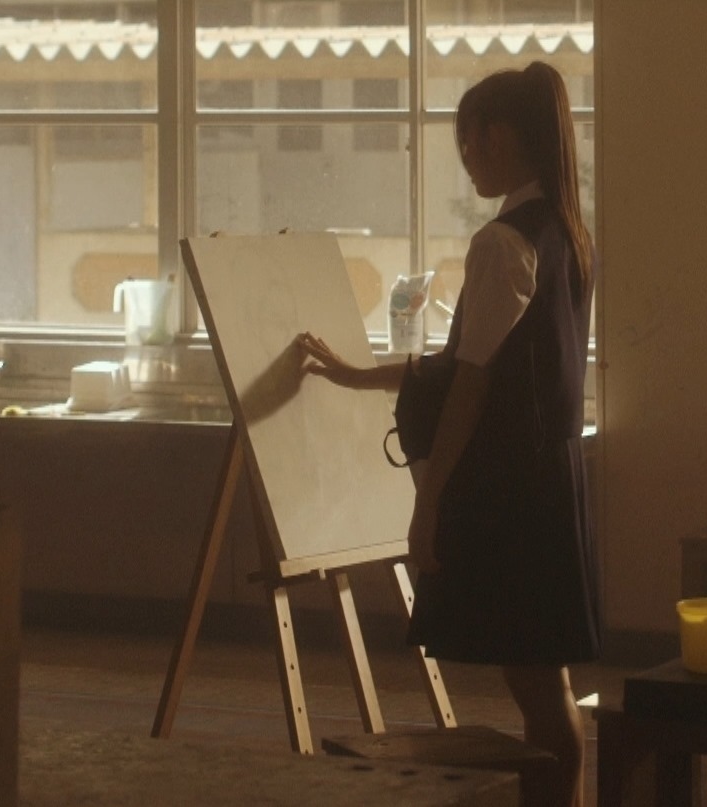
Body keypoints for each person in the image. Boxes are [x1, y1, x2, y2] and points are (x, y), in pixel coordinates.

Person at [296, 60, 598, 807]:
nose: (467, 156)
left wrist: (427, 503)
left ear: (503, 137)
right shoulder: (564, 230)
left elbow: (471, 384)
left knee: (535, 683)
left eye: (472, 140)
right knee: (546, 681)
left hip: (515, 488)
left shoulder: (502, 242)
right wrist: (354, 374)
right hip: (550, 476)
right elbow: (466, 364)